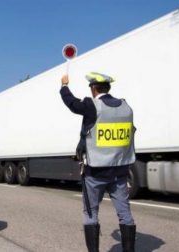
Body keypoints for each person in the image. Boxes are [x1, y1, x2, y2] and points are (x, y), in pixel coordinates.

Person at [60, 72, 136, 252]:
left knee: (90, 214)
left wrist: (64, 86)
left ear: (94, 89)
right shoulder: (126, 107)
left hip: (95, 173)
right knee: (125, 214)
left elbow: (71, 103)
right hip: (120, 172)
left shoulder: (92, 106)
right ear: (108, 88)